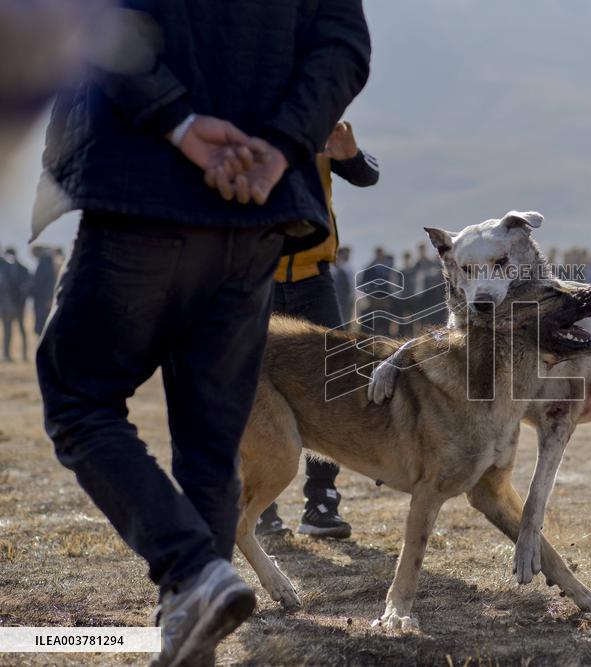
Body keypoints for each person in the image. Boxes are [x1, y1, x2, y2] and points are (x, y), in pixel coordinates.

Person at [32, 3, 370, 664]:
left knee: (78, 398)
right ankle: (191, 629)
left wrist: (179, 122)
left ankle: (192, 568)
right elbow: (342, 44)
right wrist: (280, 144)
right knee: (212, 443)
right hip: (256, 214)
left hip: (142, 187)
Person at [257, 120, 379, 541]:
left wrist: (351, 153)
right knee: (252, 385)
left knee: (333, 385)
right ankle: (260, 503)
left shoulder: (318, 118)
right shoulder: (241, 114)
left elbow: (367, 175)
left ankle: (322, 503)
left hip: (314, 279)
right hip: (254, 274)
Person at [1, 247, 31, 362]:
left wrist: (22, 294)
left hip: (18, 304)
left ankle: (23, 355)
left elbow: (28, 285)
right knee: (8, 331)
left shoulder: (22, 269)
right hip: (8, 305)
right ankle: (7, 355)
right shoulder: (4, 269)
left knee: (20, 330)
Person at [30, 245, 60, 336]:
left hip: (44, 300)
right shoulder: (44, 263)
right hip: (41, 299)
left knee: (44, 323)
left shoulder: (46, 264)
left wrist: (49, 299)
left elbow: (50, 282)